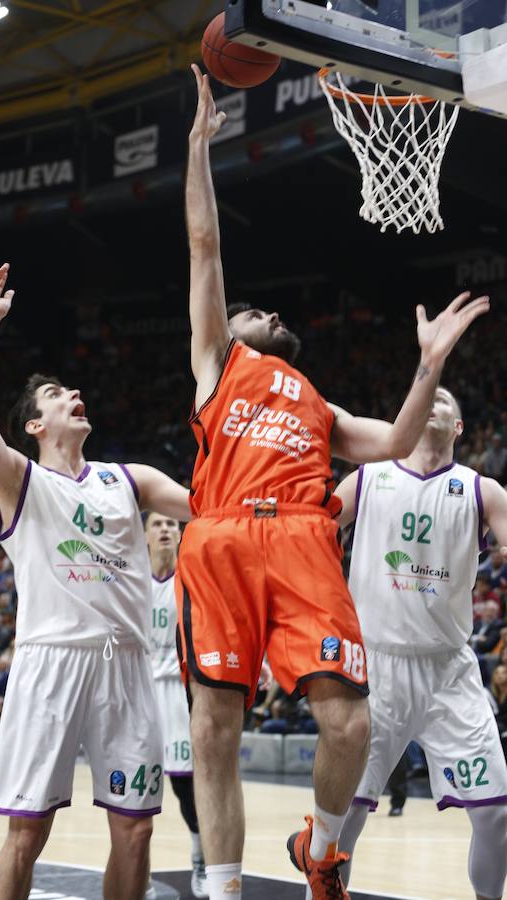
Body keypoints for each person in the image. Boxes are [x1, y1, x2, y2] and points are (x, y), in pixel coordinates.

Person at [179, 64, 490, 900]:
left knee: (350, 724)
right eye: (258, 312)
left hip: (303, 540)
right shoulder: (221, 361)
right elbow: (205, 246)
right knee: (215, 728)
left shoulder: (318, 402)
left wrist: (427, 369)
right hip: (224, 537)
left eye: (271, 316)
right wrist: (199, 152)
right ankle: (224, 889)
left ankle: (320, 846)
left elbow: (391, 441)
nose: (270, 316)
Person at [0, 263, 191, 900]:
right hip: (51, 663)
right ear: (35, 426)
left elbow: (207, 507)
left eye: (70, 390)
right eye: (56, 394)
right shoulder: (20, 482)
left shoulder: (129, 479)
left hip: (127, 666)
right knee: (27, 833)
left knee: (136, 832)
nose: (71, 393)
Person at [336, 386, 507, 900]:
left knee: (497, 812)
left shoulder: (483, 491)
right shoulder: (367, 478)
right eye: (424, 396)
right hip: (375, 668)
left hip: (448, 669)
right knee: (342, 818)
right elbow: (304, 530)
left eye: (445, 400)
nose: (432, 400)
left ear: (458, 427)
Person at [145, 512, 208, 899]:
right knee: (136, 791)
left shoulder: (193, 577)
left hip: (181, 692)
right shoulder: (131, 580)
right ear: (144, 534)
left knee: (186, 787)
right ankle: (138, 872)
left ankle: (200, 861)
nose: (166, 528)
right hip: (140, 692)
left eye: (172, 523)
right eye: (157, 524)